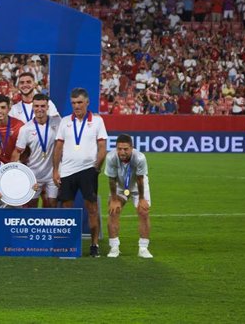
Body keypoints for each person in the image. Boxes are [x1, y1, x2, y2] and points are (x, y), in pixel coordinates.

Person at [52, 87, 108, 257]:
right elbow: (58, 147)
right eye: (73, 103)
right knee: (67, 210)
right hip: (67, 172)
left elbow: (102, 147)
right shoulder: (65, 121)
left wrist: (96, 167)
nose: (76, 106)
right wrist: (55, 170)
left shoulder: (97, 121)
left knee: (91, 208)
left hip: (87, 171)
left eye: (79, 102)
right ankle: (70, 244)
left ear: (87, 102)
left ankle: (94, 245)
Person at [104, 134, 153, 258]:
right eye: (119, 148)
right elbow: (111, 180)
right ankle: (114, 247)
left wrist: (141, 199)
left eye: (125, 149)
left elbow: (140, 179)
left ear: (132, 148)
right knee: (113, 210)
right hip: (120, 186)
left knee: (143, 212)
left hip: (137, 186)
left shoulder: (140, 158)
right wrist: (114, 199)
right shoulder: (110, 157)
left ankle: (143, 248)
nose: (122, 152)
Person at [11, 94, 61, 208]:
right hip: (33, 174)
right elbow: (18, 151)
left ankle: (50, 226)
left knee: (52, 204)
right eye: (37, 106)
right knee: (32, 205)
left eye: (43, 106)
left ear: (48, 107)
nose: (40, 109)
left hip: (52, 173)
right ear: (33, 107)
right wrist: (12, 171)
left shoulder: (57, 122)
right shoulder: (26, 129)